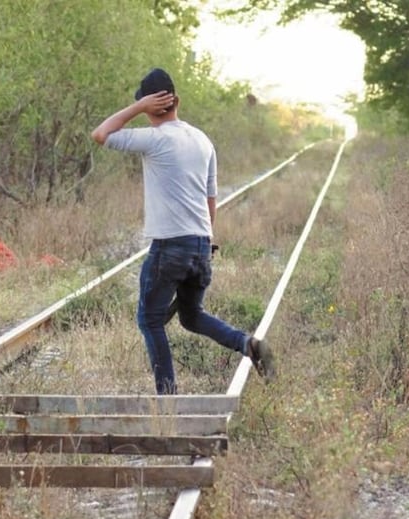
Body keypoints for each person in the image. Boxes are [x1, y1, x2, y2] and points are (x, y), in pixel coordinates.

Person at [91, 67, 273, 394]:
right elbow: (211, 199)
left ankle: (167, 399)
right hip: (202, 244)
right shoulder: (202, 140)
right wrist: (203, 241)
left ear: (151, 106)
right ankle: (247, 345)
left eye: (146, 106)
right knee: (191, 316)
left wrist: (137, 107)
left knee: (149, 320)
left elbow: (101, 134)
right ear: (178, 100)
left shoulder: (155, 139)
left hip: (169, 248)